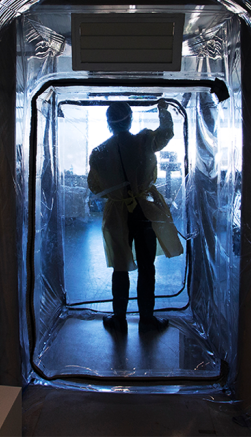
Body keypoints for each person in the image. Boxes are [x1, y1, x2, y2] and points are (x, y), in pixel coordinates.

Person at [87, 100, 184, 333]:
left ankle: (118, 318)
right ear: (130, 120)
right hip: (144, 212)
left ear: (109, 124)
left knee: (120, 267)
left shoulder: (99, 153)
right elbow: (166, 133)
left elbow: (94, 187)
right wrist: (163, 110)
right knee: (147, 266)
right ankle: (147, 320)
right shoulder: (144, 141)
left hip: (117, 216)